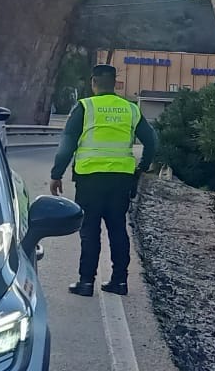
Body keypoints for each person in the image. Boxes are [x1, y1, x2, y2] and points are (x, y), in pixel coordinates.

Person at [49, 64, 159, 297]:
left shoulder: (85, 107)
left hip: (90, 180)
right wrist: (142, 167)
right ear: (115, 83)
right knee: (118, 229)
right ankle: (119, 282)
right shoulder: (130, 109)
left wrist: (57, 174)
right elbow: (151, 141)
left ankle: (86, 282)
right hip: (121, 181)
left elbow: (67, 143)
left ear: (93, 82)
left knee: (89, 231)